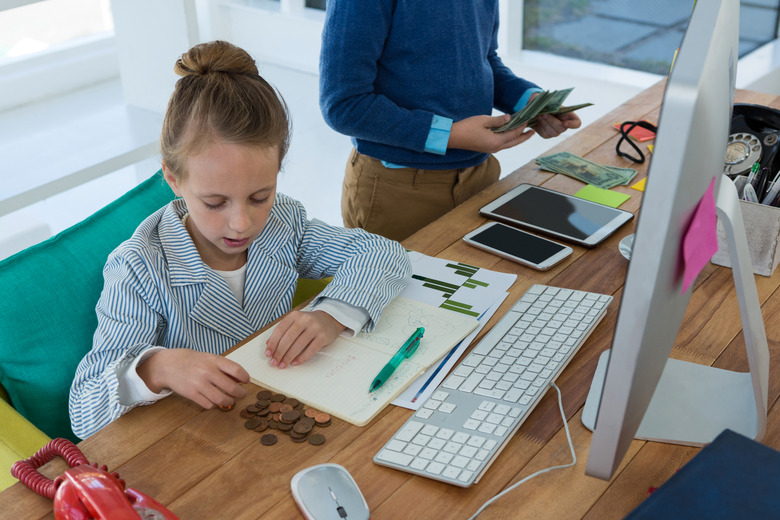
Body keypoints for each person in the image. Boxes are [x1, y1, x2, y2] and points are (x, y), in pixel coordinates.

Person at [69, 40, 412, 439]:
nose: (241, 224)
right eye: (215, 202)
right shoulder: (139, 268)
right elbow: (84, 409)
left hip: (282, 415)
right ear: (173, 179)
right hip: (195, 441)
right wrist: (158, 368)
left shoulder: (284, 221)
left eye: (259, 197)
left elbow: (383, 253)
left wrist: (333, 315)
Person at [319, 0, 582, 242]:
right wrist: (451, 135)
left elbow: (484, 58)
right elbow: (344, 104)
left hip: (481, 176)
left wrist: (531, 101)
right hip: (397, 190)